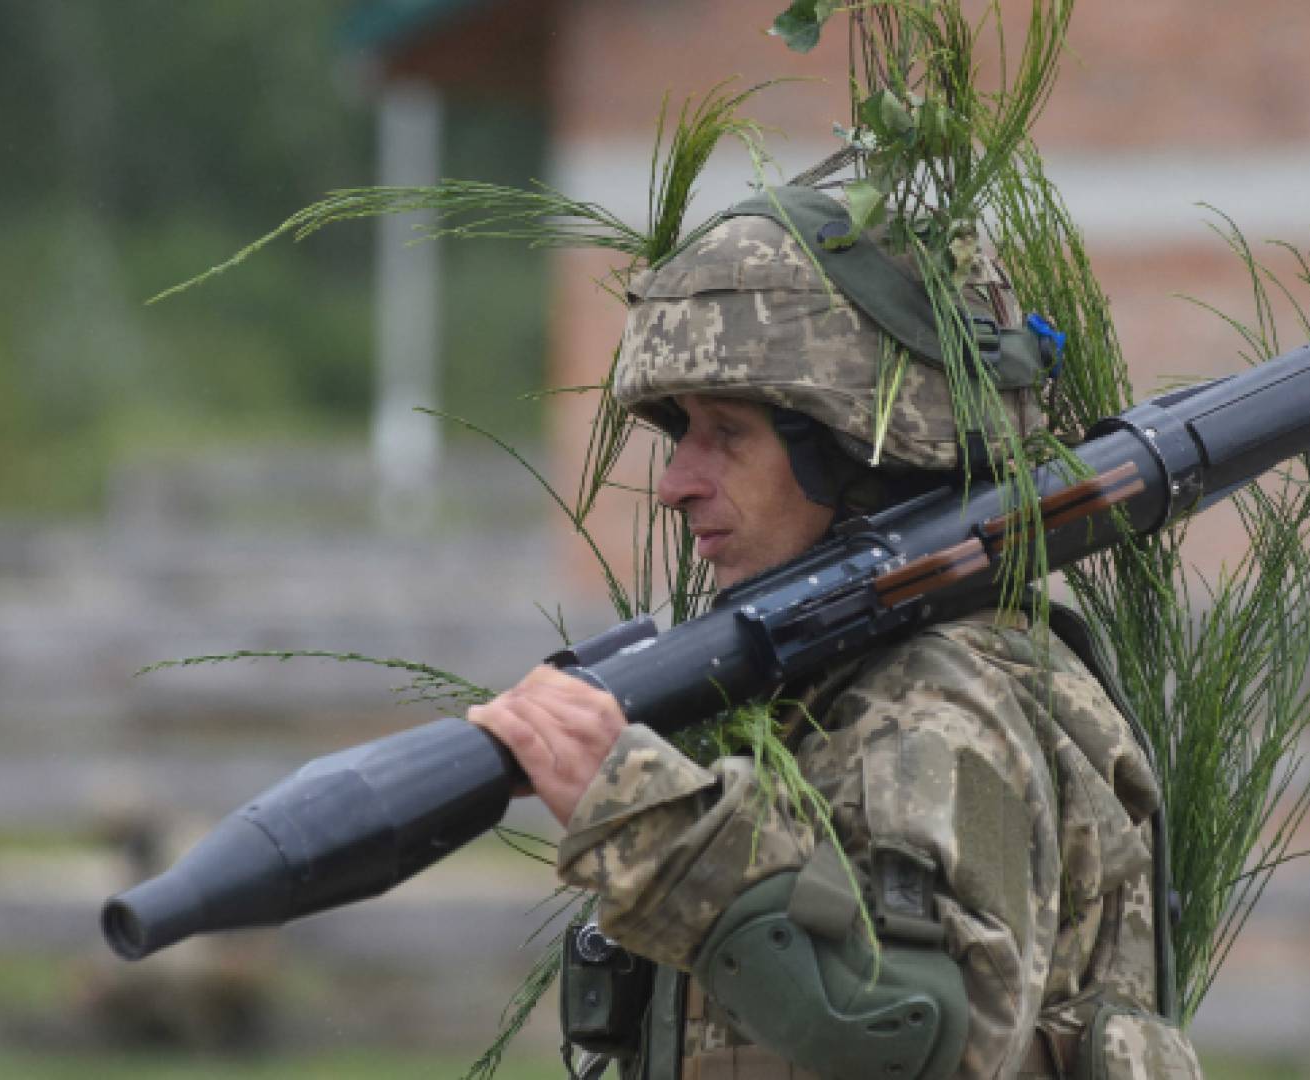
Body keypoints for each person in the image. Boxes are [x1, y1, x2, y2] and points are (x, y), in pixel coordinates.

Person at [468, 192, 1203, 1080]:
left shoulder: (935, 704)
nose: (675, 483)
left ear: (856, 454)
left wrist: (651, 824)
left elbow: (917, 1037)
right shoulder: (852, 687)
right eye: (684, 432)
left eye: (726, 433)